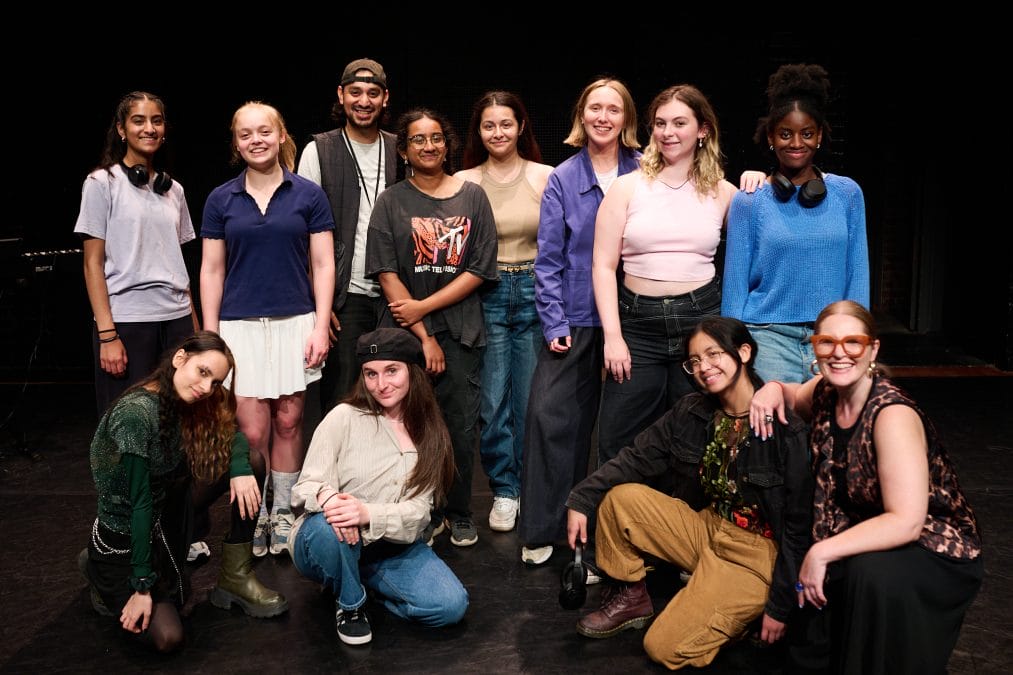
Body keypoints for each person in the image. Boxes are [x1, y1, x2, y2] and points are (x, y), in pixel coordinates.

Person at [564, 316, 813, 670]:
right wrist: (581, 499)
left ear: (743, 352)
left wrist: (780, 606)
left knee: (662, 646)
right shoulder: (692, 411)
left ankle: (743, 612)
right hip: (708, 529)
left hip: (757, 553)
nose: (703, 367)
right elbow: (636, 457)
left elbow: (799, 529)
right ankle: (632, 598)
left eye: (713, 354)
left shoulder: (785, 428)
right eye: (694, 361)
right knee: (620, 500)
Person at [751, 300, 983, 674]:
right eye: (827, 342)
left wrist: (821, 552)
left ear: (873, 349)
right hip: (861, 533)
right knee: (807, 638)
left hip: (931, 545)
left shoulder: (892, 415)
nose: (839, 353)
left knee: (867, 574)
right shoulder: (826, 392)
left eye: (852, 342)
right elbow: (793, 395)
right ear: (815, 348)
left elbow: (907, 521)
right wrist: (772, 388)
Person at [79, 332, 288, 653]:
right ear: (180, 358)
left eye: (215, 382)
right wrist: (142, 587)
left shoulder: (190, 397)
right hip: (125, 541)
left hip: (164, 514)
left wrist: (240, 468)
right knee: (168, 638)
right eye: (202, 372)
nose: (206, 387)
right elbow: (139, 504)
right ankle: (96, 570)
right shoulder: (135, 415)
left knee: (253, 462)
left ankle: (235, 577)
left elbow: (232, 434)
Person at [593, 84, 765, 466]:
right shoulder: (627, 187)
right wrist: (613, 338)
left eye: (679, 123)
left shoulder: (723, 192)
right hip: (638, 327)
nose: (667, 132)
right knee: (617, 439)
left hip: (699, 322)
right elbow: (603, 266)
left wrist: (761, 183)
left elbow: (765, 237)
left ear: (702, 129)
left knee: (696, 439)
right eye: (660, 123)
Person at [200, 102, 335, 558]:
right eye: (246, 134)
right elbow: (212, 270)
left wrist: (320, 325)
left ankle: (283, 512)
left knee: (290, 421)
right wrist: (212, 338)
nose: (256, 140)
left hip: (296, 322)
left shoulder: (308, 195)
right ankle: (255, 511)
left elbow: (323, 264)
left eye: (264, 131)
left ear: (280, 136)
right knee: (253, 432)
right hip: (239, 327)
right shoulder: (221, 199)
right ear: (236, 143)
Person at [517, 77, 640, 567]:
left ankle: (615, 532)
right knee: (551, 419)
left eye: (614, 109)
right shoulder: (564, 178)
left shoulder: (647, 170)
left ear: (626, 119)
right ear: (581, 116)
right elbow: (547, 260)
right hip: (576, 316)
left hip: (635, 316)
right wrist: (554, 322)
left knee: (622, 430)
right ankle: (546, 527)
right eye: (595, 108)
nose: (603, 117)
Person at [365, 108, 498, 548]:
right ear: (403, 150)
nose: (429, 146)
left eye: (436, 137)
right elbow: (386, 273)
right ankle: (416, 512)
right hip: (405, 336)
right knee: (406, 426)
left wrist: (425, 308)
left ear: (447, 144)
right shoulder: (391, 202)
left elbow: (478, 270)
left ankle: (456, 512)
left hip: (460, 330)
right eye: (418, 139)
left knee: (459, 427)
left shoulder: (473, 196)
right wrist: (425, 335)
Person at [290, 327, 468, 645]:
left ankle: (362, 584)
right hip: (330, 536)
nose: (381, 384)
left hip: (390, 546)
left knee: (449, 606)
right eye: (371, 374)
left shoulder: (429, 432)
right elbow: (307, 486)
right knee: (331, 528)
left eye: (391, 371)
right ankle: (350, 605)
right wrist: (335, 503)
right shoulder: (344, 417)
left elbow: (419, 514)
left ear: (412, 371)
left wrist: (366, 514)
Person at [722, 64, 869, 384]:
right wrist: (731, 347)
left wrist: (859, 339)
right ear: (771, 137)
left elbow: (857, 274)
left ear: (819, 136)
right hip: (767, 337)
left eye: (807, 133)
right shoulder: (750, 200)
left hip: (833, 338)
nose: (796, 143)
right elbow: (735, 284)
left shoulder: (847, 194)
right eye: (785, 134)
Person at [455, 91, 554, 533]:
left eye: (506, 124)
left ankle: (531, 487)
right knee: (493, 402)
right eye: (489, 125)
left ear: (520, 127)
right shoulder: (464, 181)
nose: (498, 133)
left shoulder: (545, 176)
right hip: (487, 291)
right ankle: (504, 490)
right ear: (479, 131)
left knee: (531, 401)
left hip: (534, 290)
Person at [74, 91, 199, 417]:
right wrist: (107, 336)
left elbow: (178, 264)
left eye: (156, 121)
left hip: (176, 321)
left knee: (179, 421)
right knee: (128, 422)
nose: (149, 128)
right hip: (128, 323)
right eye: (139, 120)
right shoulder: (101, 183)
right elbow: (92, 264)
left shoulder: (173, 190)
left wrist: (195, 331)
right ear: (121, 128)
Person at [297, 57, 399, 413]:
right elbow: (301, 232)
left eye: (373, 93)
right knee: (343, 400)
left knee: (394, 399)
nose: (364, 101)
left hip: (395, 295)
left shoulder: (400, 148)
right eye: (355, 92)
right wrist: (319, 301)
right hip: (345, 297)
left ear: (385, 98)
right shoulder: (319, 150)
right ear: (341, 95)